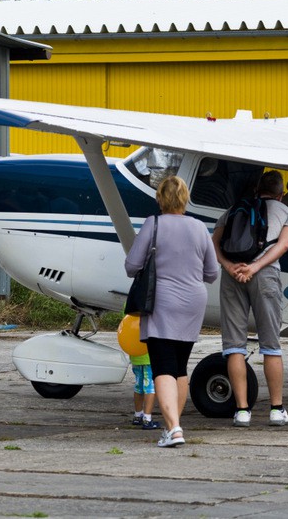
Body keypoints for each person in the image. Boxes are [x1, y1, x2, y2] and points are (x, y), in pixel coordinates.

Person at [124, 176, 218, 447]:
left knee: (162, 367)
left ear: (160, 199)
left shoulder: (153, 224)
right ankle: (173, 426)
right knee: (179, 368)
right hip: (193, 302)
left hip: (162, 301)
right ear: (185, 198)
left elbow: (132, 266)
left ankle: (174, 429)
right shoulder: (200, 227)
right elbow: (211, 273)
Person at [212, 170, 288, 428]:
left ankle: (241, 411)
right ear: (281, 194)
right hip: (265, 275)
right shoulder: (285, 212)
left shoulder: (233, 209)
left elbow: (214, 242)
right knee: (271, 344)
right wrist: (256, 267)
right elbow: (282, 246)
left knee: (234, 345)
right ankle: (276, 409)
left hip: (232, 275)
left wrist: (229, 267)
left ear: (257, 189)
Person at [129, 351, 161, 430]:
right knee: (149, 387)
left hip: (136, 356)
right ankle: (147, 419)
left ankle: (138, 415)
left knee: (138, 386)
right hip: (149, 358)